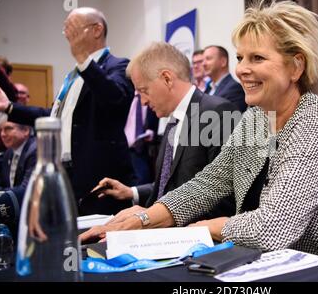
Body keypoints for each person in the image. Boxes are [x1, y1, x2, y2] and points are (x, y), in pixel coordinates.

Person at [80, 0, 318, 265]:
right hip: (283, 261)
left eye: (257, 58)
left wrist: (202, 228)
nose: (241, 69)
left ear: (296, 66)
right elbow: (208, 184)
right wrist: (142, 220)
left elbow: (273, 227)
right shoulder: (255, 119)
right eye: (240, 57)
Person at [0, 7, 135, 215]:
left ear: (97, 30)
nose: (67, 35)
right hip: (67, 173)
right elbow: (52, 117)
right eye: (65, 29)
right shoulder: (73, 76)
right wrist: (9, 107)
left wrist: (83, 59)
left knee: (99, 240)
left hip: (100, 175)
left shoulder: (117, 65)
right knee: (71, 237)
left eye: (72, 27)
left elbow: (115, 98)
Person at [91, 42, 237, 220]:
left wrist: (150, 217)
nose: (143, 102)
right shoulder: (174, 121)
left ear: (167, 79)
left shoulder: (217, 113)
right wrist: (132, 192)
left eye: (144, 91)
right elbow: (170, 186)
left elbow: (225, 195)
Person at [0, 121, 36, 237]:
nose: (3, 134)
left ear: (25, 131)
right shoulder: (10, 152)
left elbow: (26, 191)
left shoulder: (35, 150)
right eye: (1, 130)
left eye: (8, 129)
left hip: (34, 219)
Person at [203, 45, 247, 112]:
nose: (203, 64)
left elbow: (230, 120)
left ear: (223, 62)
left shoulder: (235, 89)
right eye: (203, 60)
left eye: (208, 59)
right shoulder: (208, 87)